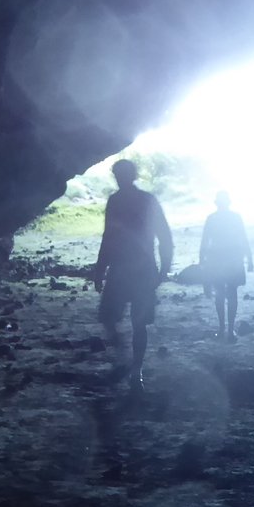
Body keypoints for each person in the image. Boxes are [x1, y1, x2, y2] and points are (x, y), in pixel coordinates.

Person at [91, 159, 173, 388]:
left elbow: (108, 237)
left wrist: (100, 269)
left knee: (115, 319)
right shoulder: (146, 200)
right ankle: (135, 368)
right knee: (136, 323)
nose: (120, 179)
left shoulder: (116, 201)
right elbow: (164, 237)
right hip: (140, 270)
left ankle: (132, 366)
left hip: (123, 269)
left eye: (120, 175)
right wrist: (164, 269)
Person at [200, 190, 253, 342]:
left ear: (216, 203)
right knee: (232, 294)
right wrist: (250, 259)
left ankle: (222, 328)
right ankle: (230, 330)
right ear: (229, 203)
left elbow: (205, 241)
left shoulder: (212, 219)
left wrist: (202, 261)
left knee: (219, 294)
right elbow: (243, 239)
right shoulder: (235, 218)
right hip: (233, 259)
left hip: (216, 260)